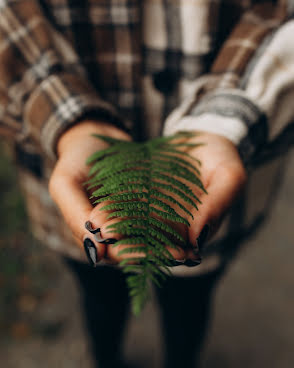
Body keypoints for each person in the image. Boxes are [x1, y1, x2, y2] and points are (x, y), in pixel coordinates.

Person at [0, 0, 293, 367]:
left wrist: (225, 119)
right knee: (99, 291)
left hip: (217, 173)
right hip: (73, 173)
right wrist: (65, 115)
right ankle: (107, 359)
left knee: (190, 297)